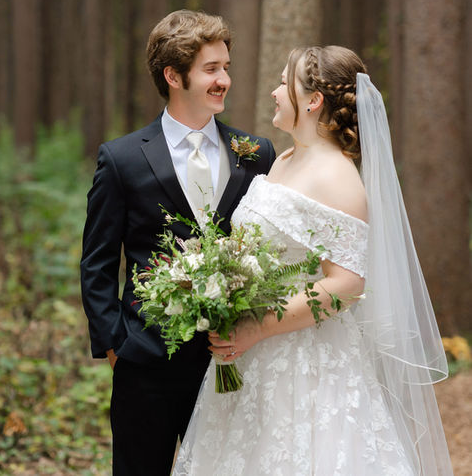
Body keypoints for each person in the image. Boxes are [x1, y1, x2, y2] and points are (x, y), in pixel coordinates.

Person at [173, 45, 453, 475]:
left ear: (312, 99)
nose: (274, 92)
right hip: (250, 363)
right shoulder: (284, 158)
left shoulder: (338, 177)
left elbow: (347, 285)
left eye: (283, 82)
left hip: (307, 370)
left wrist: (258, 326)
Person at [80, 9, 276, 476]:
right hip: (145, 361)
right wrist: (116, 347)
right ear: (173, 75)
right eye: (211, 69)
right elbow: (98, 263)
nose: (224, 79)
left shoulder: (256, 153)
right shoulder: (122, 158)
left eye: (226, 67)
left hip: (231, 362)